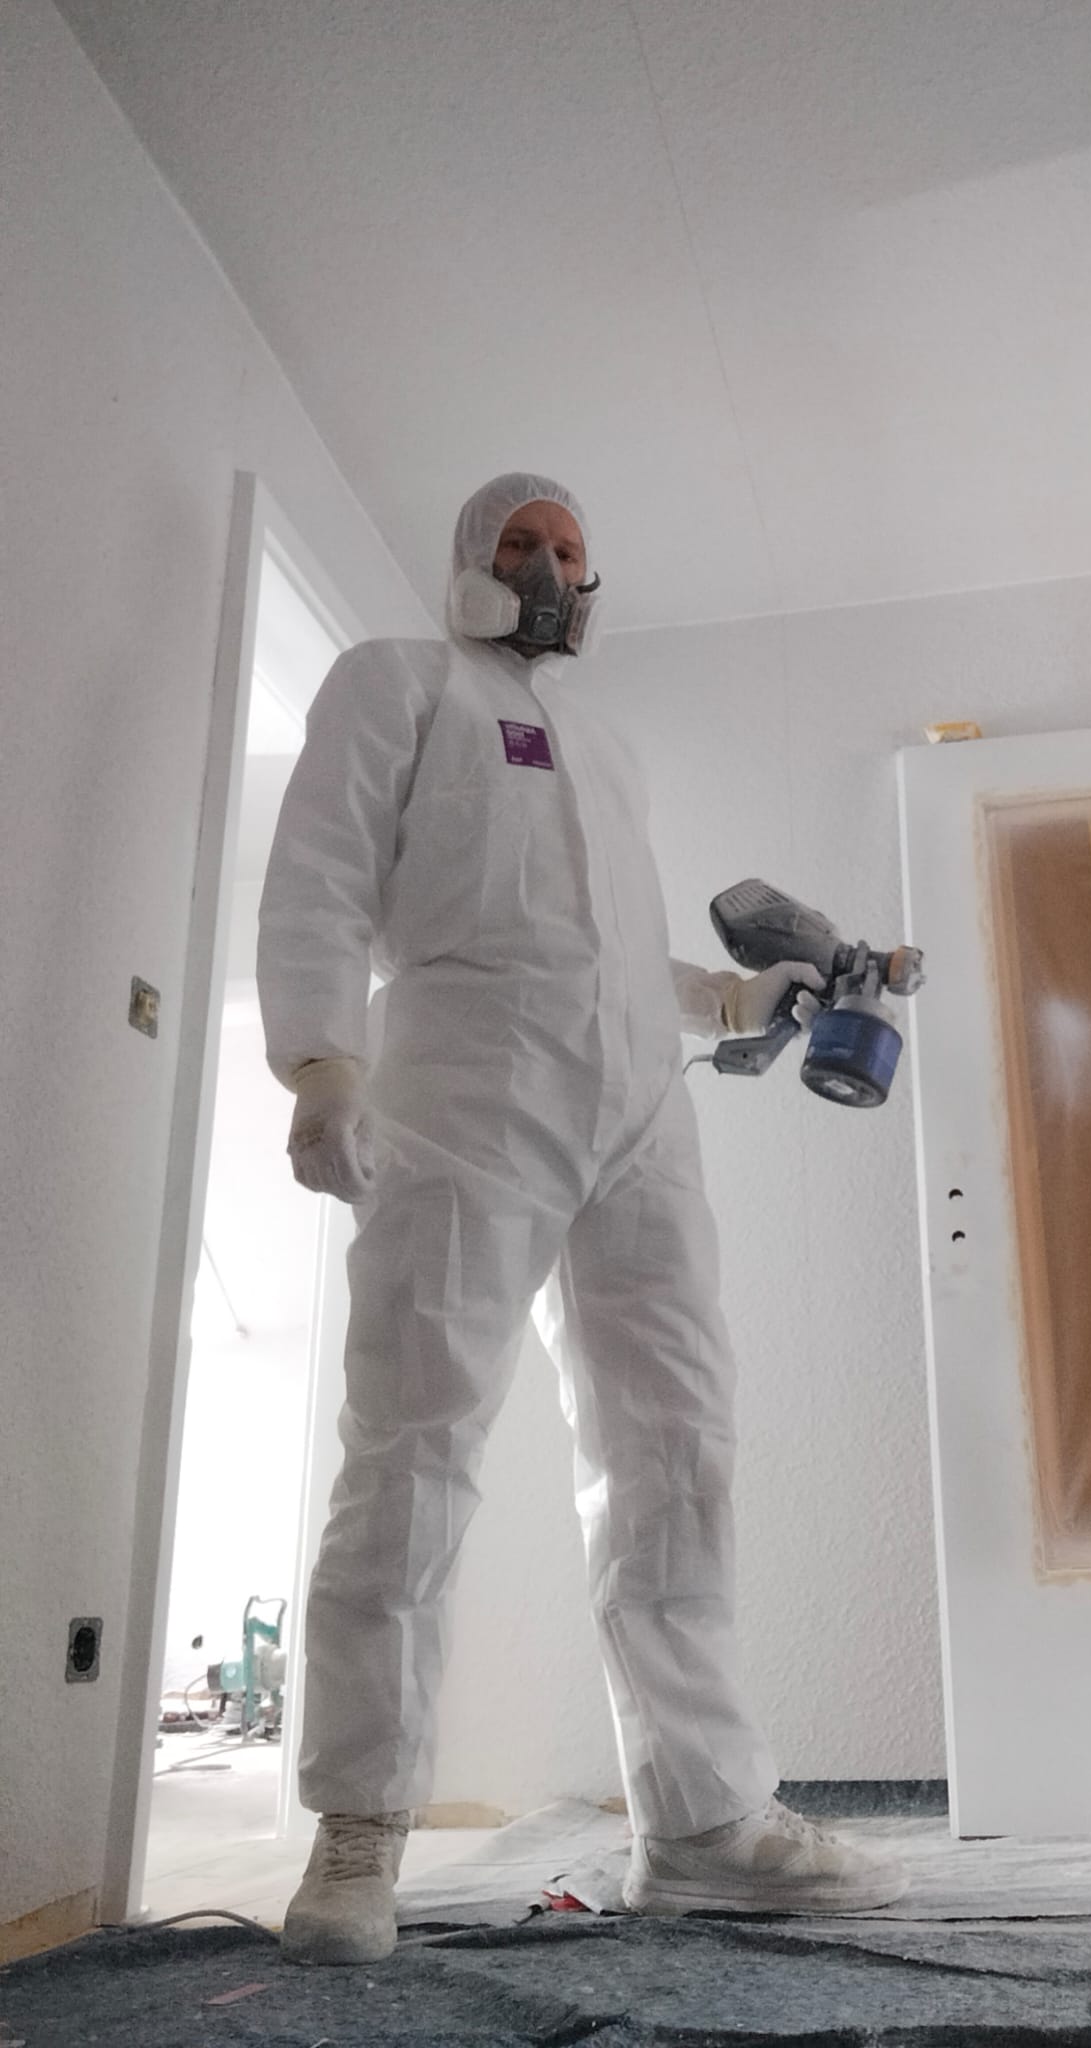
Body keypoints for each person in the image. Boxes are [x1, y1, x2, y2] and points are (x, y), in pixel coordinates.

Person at [257, 472, 907, 1966]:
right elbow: (321, 875)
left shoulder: (607, 749)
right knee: (415, 1440)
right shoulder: (397, 683)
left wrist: (729, 998)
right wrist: (321, 1061)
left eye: (569, 549)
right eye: (522, 544)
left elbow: (604, 946)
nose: (551, 567)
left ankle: (701, 1822)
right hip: (464, 1085)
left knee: (675, 1442)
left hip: (639, 1111)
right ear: (469, 560)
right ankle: (361, 1825)